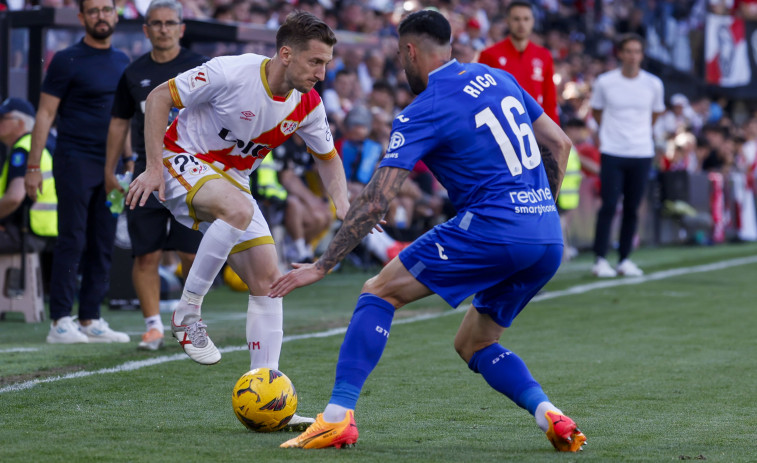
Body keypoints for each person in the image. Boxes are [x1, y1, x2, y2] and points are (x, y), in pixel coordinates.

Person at [271, 10, 586, 452]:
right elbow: (559, 142)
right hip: (547, 235)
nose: (402, 66)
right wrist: (536, 211)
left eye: (402, 56)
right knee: (474, 342)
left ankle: (337, 417)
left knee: (378, 292)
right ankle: (549, 414)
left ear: (411, 50)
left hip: (492, 227)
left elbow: (378, 199)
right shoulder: (497, 78)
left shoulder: (424, 108)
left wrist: (323, 265)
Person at [125, 11, 350, 430]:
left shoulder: (308, 104)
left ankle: (270, 401)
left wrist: (344, 206)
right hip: (181, 161)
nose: (323, 72)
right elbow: (159, 97)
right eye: (315, 62)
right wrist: (153, 167)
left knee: (270, 283)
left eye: (326, 63)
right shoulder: (232, 71)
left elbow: (329, 160)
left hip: (230, 182)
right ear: (286, 54)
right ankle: (186, 313)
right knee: (239, 208)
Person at [24, 0, 131, 344]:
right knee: (72, 239)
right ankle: (59, 321)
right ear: (82, 17)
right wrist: (33, 166)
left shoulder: (122, 60)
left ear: (116, 15)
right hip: (74, 160)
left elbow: (123, 119)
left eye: (107, 9)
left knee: (103, 242)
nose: (101, 16)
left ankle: (90, 318)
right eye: (94, 10)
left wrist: (129, 161)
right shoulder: (67, 59)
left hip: (112, 166)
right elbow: (44, 115)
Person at [104, 0, 207, 351]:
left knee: (192, 255)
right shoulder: (132, 73)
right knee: (145, 254)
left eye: (170, 22)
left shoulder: (201, 66)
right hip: (146, 173)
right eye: (156, 23)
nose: (163, 28)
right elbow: (119, 122)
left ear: (181, 27)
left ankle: (191, 320)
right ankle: (152, 327)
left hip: (192, 175)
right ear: (146, 29)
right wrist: (110, 168)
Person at [589, 33, 665, 278]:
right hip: (612, 151)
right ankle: (600, 259)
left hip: (641, 152)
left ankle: (624, 259)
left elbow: (655, 115)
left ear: (642, 55)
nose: (633, 56)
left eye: (637, 51)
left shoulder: (653, 84)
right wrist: (612, 135)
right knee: (608, 205)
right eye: (628, 51)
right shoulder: (605, 82)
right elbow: (597, 113)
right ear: (620, 54)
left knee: (632, 208)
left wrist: (639, 135)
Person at [477, 0, 559, 124]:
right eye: (516, 19)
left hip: (536, 127)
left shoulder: (544, 56)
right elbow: (482, 98)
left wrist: (554, 131)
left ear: (533, 22)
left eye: (526, 19)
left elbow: (550, 101)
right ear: (507, 21)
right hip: (502, 125)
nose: (521, 24)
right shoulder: (489, 54)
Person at [0, 98, 57, 254]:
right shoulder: (48, 143)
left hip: (30, 233)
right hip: (51, 231)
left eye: (2, 118)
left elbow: (14, 198)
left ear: (20, 123)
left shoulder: (24, 148)